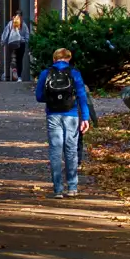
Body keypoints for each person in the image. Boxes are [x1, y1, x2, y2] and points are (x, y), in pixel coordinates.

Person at [34, 46, 93, 197]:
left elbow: (39, 96)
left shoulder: (46, 73)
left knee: (55, 151)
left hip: (53, 115)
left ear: (54, 59)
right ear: (69, 58)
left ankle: (58, 189)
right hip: (72, 115)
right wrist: (85, 118)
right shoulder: (74, 73)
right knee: (71, 150)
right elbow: (82, 97)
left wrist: (54, 98)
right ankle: (72, 187)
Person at [0, 13, 30, 82]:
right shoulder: (23, 25)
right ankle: (19, 76)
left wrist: (3, 41)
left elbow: (5, 33)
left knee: (11, 58)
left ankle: (12, 69)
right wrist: (26, 40)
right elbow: (27, 34)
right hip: (21, 43)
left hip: (12, 43)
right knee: (20, 60)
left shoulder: (11, 23)